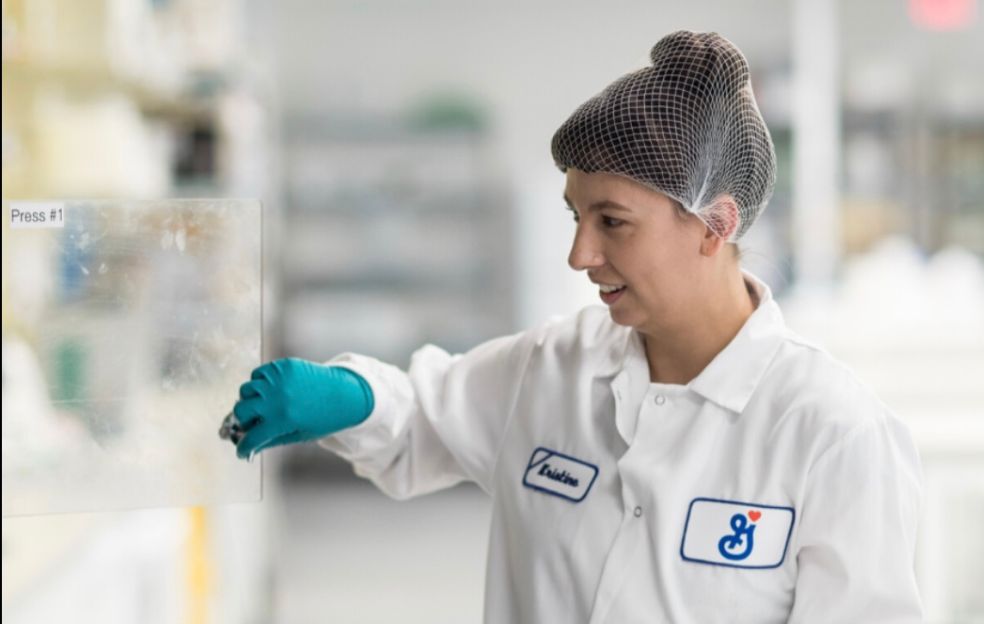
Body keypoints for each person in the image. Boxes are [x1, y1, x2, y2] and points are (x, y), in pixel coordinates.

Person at [227, 31, 924, 622]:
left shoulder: (831, 433)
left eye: (612, 222)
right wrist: (351, 396)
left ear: (715, 224)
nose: (580, 254)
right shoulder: (552, 368)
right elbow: (420, 419)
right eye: (576, 216)